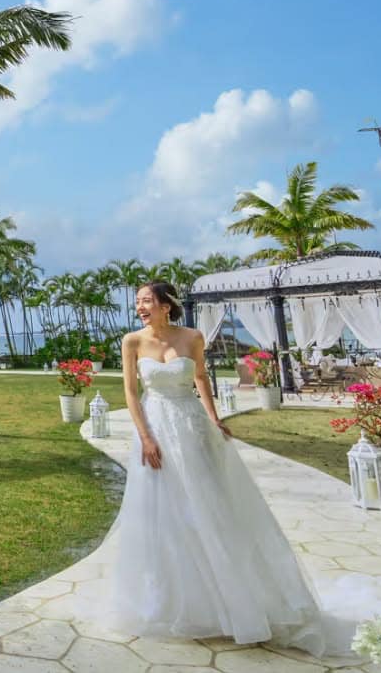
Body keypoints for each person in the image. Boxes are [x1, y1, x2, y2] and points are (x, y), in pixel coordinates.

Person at [104, 281, 343, 655]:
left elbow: (200, 378)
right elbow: (131, 393)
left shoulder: (192, 337)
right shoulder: (132, 341)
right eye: (137, 302)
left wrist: (214, 419)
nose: (140, 307)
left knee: (208, 504)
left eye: (147, 301)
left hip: (191, 426)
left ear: (166, 305)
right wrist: (146, 437)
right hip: (155, 428)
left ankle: (232, 597)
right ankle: (171, 600)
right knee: (163, 510)